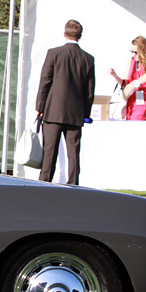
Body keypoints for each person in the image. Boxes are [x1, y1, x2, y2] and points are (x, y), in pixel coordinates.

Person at [35, 19, 96, 185]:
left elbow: (45, 81)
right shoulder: (88, 59)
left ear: (64, 33)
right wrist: (85, 113)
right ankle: (73, 184)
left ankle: (44, 183)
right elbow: (89, 91)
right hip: (75, 113)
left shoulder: (54, 53)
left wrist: (40, 107)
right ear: (80, 36)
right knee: (73, 153)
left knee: (49, 152)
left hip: (53, 110)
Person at [109, 36, 146, 121]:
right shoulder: (131, 61)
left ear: (143, 51)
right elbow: (124, 83)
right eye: (132, 51)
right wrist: (114, 75)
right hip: (130, 98)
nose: (134, 54)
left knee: (136, 122)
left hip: (142, 98)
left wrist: (134, 83)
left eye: (136, 52)